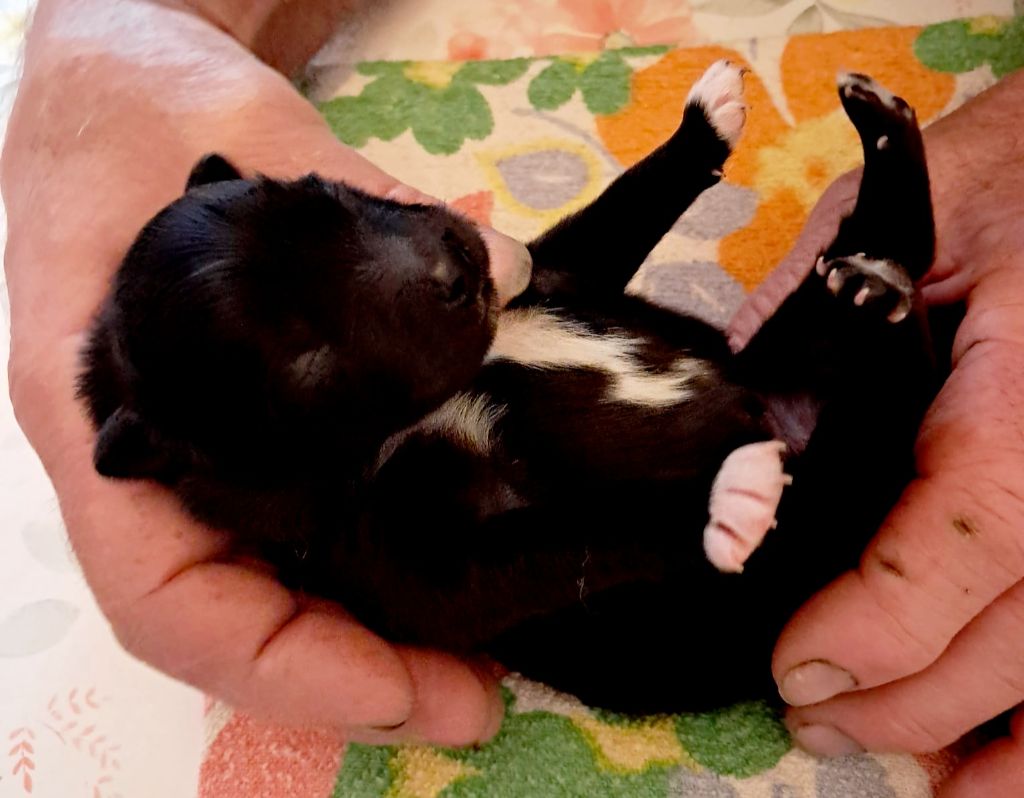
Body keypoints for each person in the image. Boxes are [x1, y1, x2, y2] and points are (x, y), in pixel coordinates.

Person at [3, 1, 1021, 793]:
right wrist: (144, 26)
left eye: (329, 208)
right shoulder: (377, 522)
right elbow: (485, 576)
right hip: (733, 587)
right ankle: (885, 280)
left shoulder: (397, 370)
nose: (420, 254)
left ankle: (883, 252)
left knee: (806, 335)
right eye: (308, 345)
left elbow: (561, 273)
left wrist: (680, 163)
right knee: (860, 423)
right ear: (216, 447)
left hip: (734, 401)